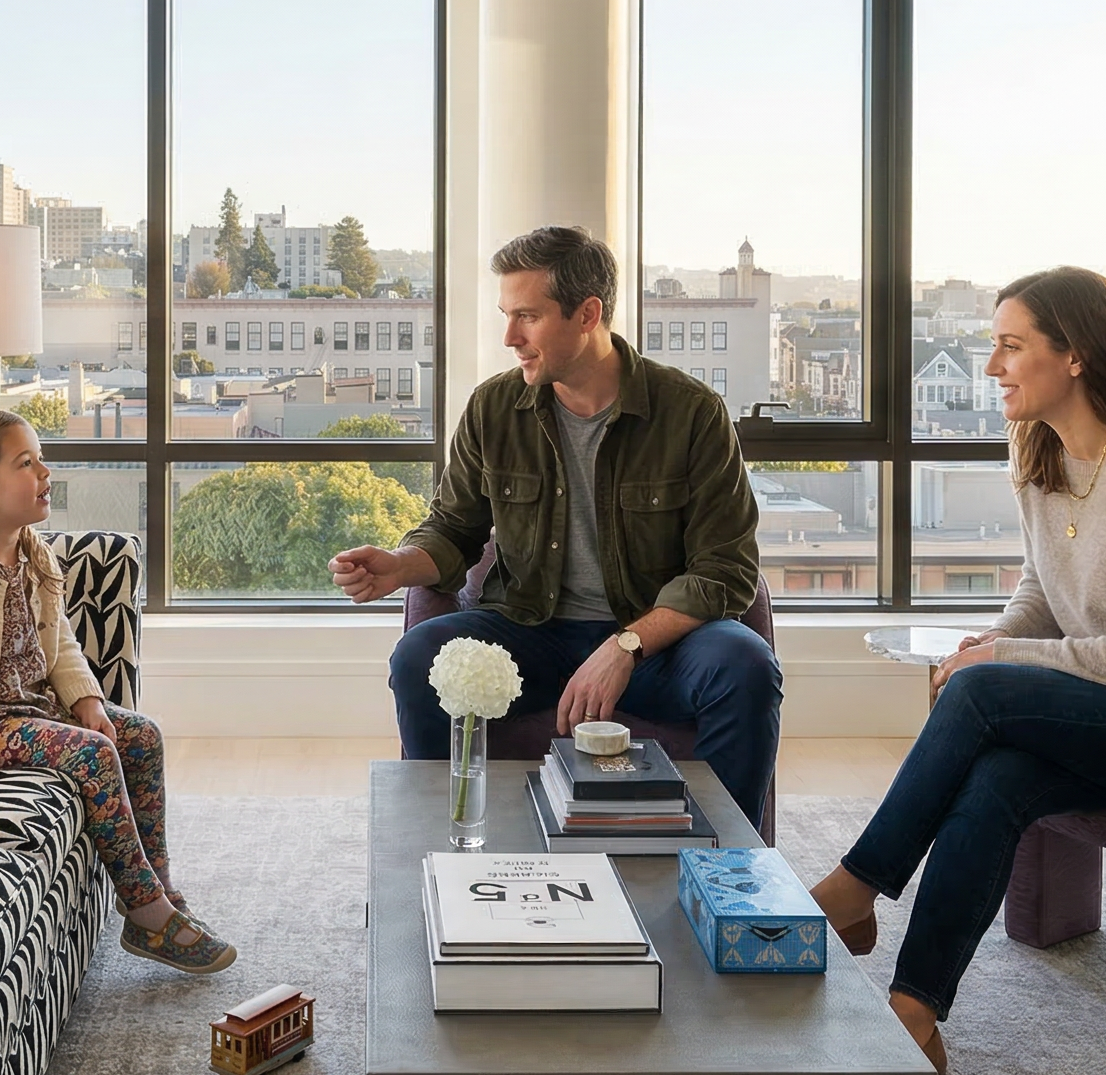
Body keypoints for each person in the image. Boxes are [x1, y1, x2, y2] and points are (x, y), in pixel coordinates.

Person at [807, 267, 1106, 1075]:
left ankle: (854, 889)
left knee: (986, 689)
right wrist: (990, 642)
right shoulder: (1041, 447)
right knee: (998, 773)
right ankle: (913, 1014)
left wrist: (996, 663)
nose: (992, 366)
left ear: (1074, 355)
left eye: (1010, 346)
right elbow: (1043, 589)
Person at [329, 225, 782, 829]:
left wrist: (625, 646)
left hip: (657, 645)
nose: (510, 338)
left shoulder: (693, 414)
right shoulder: (494, 408)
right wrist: (399, 565)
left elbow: (725, 569)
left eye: (528, 317)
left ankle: (729, 869)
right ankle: (439, 847)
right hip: (527, 632)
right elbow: (455, 528)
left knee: (745, 666)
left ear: (588, 313)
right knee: (419, 657)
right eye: (506, 316)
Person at [0, 410, 234, 974]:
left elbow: (60, 640)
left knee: (140, 735)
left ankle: (161, 887)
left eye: (39, 458)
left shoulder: (34, 553)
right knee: (92, 754)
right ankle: (146, 914)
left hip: (30, 705)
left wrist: (87, 700)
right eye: (26, 463)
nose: (45, 471)